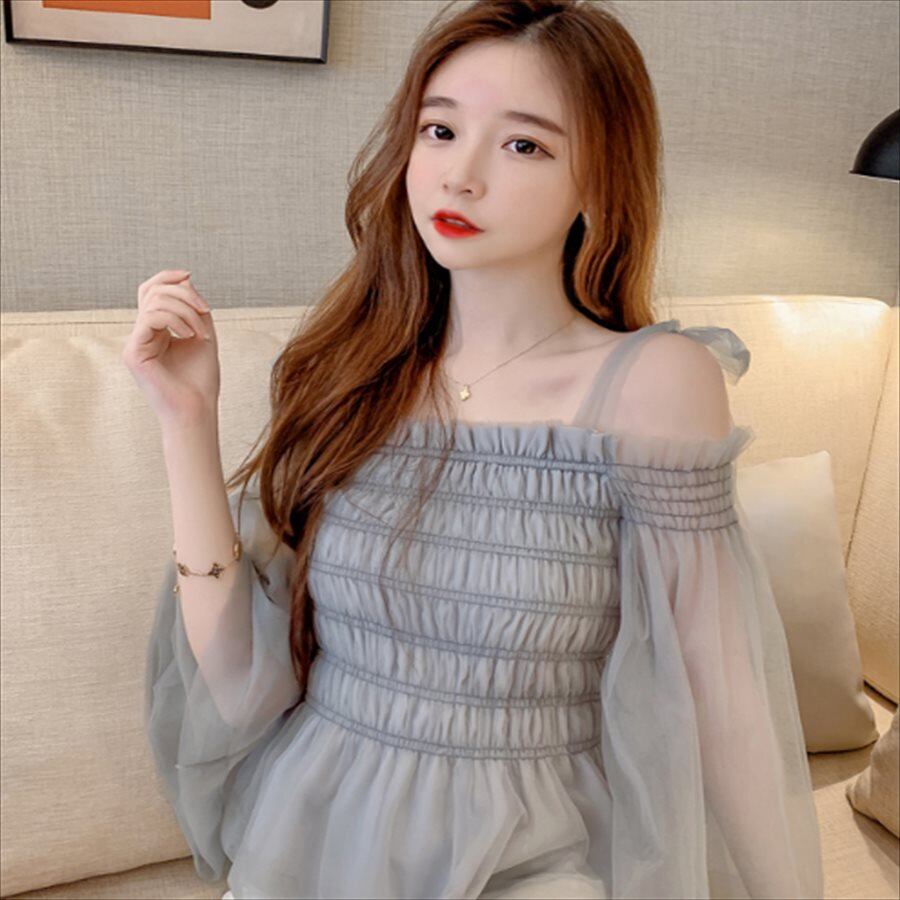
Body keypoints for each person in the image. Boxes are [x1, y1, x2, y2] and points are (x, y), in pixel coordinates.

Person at [123, 1, 825, 897]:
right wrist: (187, 421)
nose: (460, 176)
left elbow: (722, 691)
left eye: (524, 145)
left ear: (599, 182)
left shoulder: (654, 383)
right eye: (441, 130)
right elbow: (240, 686)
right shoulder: (348, 376)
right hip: (318, 835)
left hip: (535, 855)